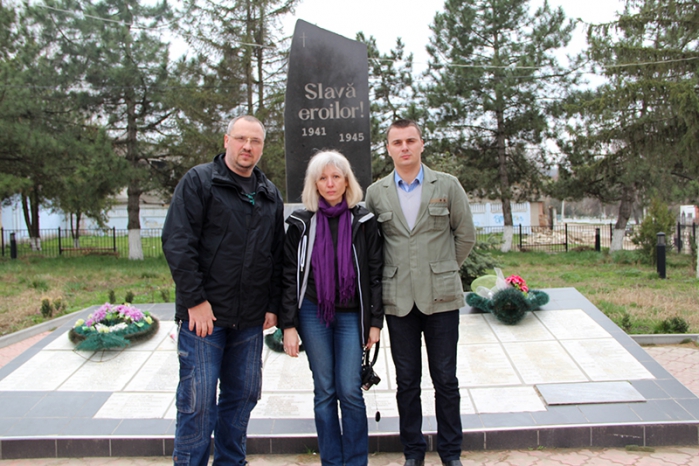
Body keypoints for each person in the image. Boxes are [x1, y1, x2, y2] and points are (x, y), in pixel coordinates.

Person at [162, 115, 285, 466]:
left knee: (243, 396)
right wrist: (195, 301)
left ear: (262, 146)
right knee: (198, 400)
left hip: (249, 321)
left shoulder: (269, 194)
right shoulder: (200, 182)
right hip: (206, 318)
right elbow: (177, 242)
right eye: (241, 139)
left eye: (256, 141)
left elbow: (276, 256)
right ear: (226, 140)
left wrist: (273, 305)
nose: (248, 147)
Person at [365, 119, 476, 466]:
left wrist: (442, 268)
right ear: (388, 148)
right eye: (397, 142)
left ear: (422, 144)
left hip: (441, 299)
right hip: (398, 301)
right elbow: (372, 247)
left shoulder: (448, 185)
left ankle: (450, 452)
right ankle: (413, 452)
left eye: (410, 140)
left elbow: (466, 235)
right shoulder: (376, 192)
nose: (404, 147)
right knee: (407, 382)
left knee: (446, 378)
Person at [280, 150, 384, 466]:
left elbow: (376, 275)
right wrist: (288, 325)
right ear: (314, 183)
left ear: (347, 181)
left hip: (353, 315)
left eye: (336, 176)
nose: (330, 183)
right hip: (313, 313)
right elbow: (287, 276)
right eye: (323, 178)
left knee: (350, 391)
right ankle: (332, 461)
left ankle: (355, 461)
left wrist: (375, 322)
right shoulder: (301, 223)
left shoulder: (364, 221)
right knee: (324, 391)